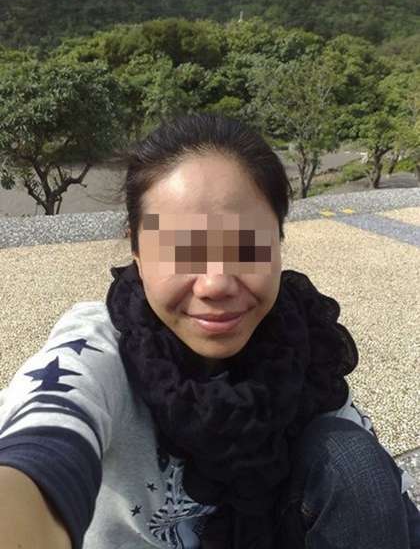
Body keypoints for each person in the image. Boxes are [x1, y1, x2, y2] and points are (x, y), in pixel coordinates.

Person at [0, 112, 418, 549]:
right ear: (136, 251)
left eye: (246, 246)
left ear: (278, 244)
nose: (216, 284)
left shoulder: (300, 345)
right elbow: (44, 438)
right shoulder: (102, 351)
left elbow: (381, 498)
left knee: (352, 458)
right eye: (180, 248)